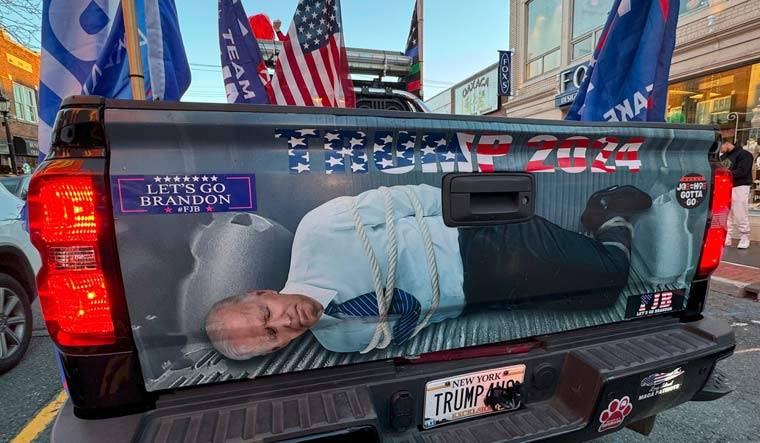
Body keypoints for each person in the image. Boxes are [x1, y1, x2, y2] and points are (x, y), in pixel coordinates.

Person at [205, 184, 652, 359]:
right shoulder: (338, 340)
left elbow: (410, 200)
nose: (285, 323)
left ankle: (607, 210)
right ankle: (585, 241)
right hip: (475, 297)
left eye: (266, 314)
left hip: (478, 241)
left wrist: (493, 209)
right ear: (277, 348)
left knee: (609, 278)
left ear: (261, 292)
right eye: (272, 336)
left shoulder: (316, 233)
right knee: (594, 300)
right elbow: (415, 323)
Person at [720, 141, 753, 249]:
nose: (720, 150)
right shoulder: (723, 156)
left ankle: (744, 237)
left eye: (720, 146)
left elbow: (743, 171)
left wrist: (725, 174)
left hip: (740, 186)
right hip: (726, 186)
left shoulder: (745, 154)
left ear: (727, 143)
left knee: (740, 212)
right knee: (726, 213)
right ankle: (727, 236)